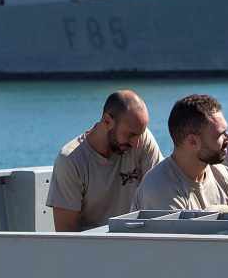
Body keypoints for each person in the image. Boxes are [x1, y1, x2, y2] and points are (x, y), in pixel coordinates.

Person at [46, 90, 163, 231]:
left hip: (136, 241)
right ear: (107, 121)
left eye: (140, 134)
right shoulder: (71, 161)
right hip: (92, 247)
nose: (136, 143)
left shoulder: (142, 140)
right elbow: (66, 233)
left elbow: (160, 193)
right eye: (131, 135)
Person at [131, 94, 228, 213]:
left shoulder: (227, 178)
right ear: (192, 141)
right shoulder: (159, 188)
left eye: (226, 132)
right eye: (220, 135)